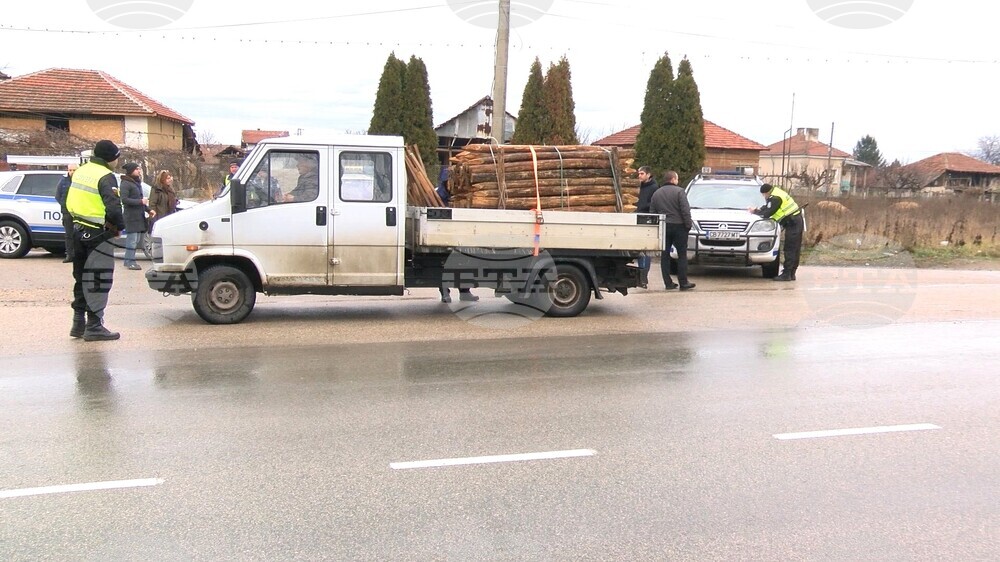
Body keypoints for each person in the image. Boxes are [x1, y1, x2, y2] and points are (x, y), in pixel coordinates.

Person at [65, 139, 126, 341]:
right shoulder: (106, 176)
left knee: (81, 278)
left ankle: (78, 323)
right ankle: (94, 325)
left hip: (77, 230)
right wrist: (119, 226)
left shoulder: (81, 171)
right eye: (117, 158)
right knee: (99, 279)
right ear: (110, 158)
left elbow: (68, 200)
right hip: (98, 234)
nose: (117, 161)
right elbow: (114, 208)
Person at [649, 170, 695, 291]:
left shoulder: (656, 193)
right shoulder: (680, 192)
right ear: (673, 179)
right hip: (679, 226)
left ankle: (668, 283)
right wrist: (688, 225)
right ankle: (683, 282)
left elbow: (652, 212)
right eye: (677, 178)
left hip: (664, 226)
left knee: (665, 256)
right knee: (682, 255)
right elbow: (685, 210)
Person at [750, 183, 803, 281]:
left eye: (764, 195)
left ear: (767, 192)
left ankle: (787, 274)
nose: (764, 197)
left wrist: (755, 212)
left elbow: (768, 213)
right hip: (796, 220)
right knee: (795, 248)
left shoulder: (775, 198)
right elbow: (768, 207)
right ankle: (791, 273)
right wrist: (759, 209)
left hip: (793, 222)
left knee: (790, 248)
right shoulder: (777, 193)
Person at [119, 162, 152, 270]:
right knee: (132, 241)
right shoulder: (125, 183)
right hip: (131, 217)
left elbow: (141, 201)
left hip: (139, 216)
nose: (139, 171)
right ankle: (130, 261)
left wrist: (149, 210)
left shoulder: (136, 183)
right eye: (136, 169)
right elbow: (124, 200)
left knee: (136, 240)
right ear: (131, 171)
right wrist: (140, 201)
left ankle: (128, 260)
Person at [634, 166, 658, 287]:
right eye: (639, 173)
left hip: (646, 220)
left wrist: (641, 207)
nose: (639, 176)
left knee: (645, 250)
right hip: (636, 219)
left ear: (648, 175)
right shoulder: (638, 186)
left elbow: (652, 204)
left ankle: (644, 276)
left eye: (642, 174)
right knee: (639, 250)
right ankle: (640, 275)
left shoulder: (654, 187)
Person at [54, 163, 78, 263]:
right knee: (69, 234)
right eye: (70, 170)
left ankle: (79, 255)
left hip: (79, 212)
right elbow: (58, 195)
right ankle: (70, 255)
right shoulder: (63, 181)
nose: (72, 172)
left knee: (79, 234)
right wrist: (65, 206)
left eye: (74, 170)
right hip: (67, 212)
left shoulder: (80, 181)